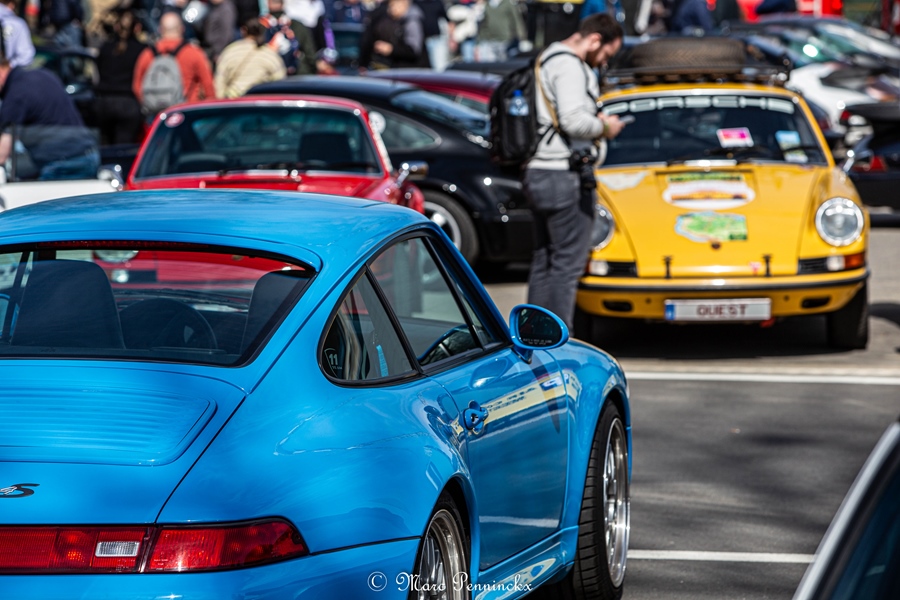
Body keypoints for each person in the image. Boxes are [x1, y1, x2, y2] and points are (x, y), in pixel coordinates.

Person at [523, 13, 626, 330]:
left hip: (539, 173)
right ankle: (558, 341)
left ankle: (534, 337)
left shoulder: (547, 58)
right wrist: (605, 128)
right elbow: (571, 120)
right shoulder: (569, 65)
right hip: (562, 176)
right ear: (595, 40)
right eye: (606, 54)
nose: (604, 62)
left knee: (545, 260)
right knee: (567, 265)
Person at [0, 55, 99, 179]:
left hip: (64, 164)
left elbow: (3, 151)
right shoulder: (42, 74)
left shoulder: (16, 94)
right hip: (87, 154)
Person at [132, 11, 215, 112]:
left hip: (157, 114)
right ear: (182, 29)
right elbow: (208, 86)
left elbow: (137, 86)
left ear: (160, 29)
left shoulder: (148, 54)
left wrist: (150, 104)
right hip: (186, 111)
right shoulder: (194, 53)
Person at [95, 8, 147, 144]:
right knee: (125, 147)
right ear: (137, 28)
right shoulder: (142, 50)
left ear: (116, 26)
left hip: (104, 102)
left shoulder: (105, 48)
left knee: (105, 146)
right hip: (128, 103)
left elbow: (98, 71)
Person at [215, 18, 286, 98]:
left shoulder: (230, 51)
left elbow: (220, 81)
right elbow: (280, 82)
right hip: (260, 102)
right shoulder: (270, 54)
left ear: (243, 30)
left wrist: (221, 100)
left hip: (233, 101)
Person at [359, 0, 426, 70]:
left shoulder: (412, 22)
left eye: (394, 5)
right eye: (390, 6)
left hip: (412, 69)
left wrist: (391, 49)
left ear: (404, 5)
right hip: (393, 67)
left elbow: (413, 50)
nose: (391, 9)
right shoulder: (388, 20)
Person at [261, 0, 321, 74]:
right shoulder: (297, 25)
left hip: (270, 74)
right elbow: (311, 56)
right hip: (296, 74)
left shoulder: (258, 27)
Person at [0, 0, 35, 67]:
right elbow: (26, 55)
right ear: (12, 4)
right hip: (7, 69)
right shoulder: (17, 24)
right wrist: (9, 66)